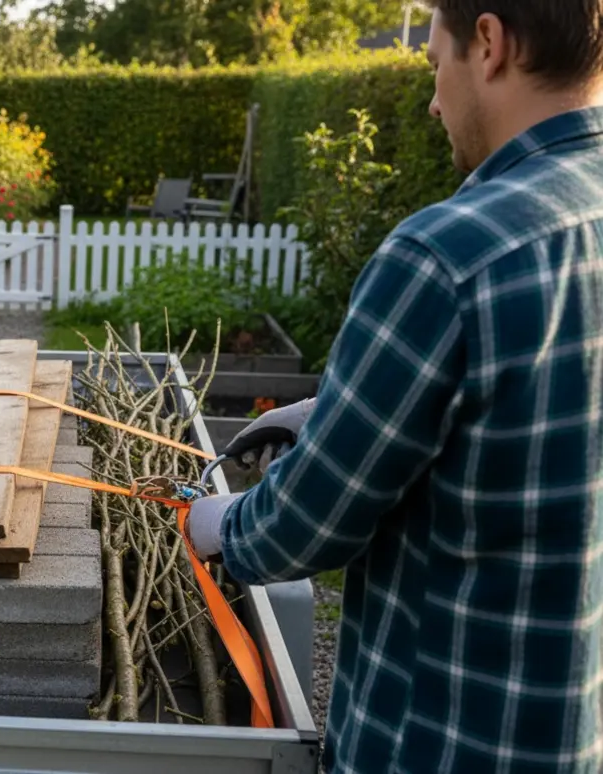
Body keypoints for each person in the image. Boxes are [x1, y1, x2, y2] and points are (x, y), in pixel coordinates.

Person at [184, 2, 603, 772]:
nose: (434, 101)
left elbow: (308, 526)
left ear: (489, 43)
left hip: (438, 745)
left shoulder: (447, 252)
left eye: (436, 62)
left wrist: (221, 524)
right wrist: (336, 413)